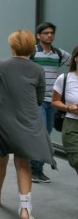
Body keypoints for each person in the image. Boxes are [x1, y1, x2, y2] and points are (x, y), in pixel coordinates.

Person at [0, 30, 57, 219]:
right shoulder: (38, 70)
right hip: (26, 118)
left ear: (13, 47)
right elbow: (39, 99)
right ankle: (25, 209)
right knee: (22, 162)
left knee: (0, 158)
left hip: (2, 116)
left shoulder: (2, 64)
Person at [29, 22, 70, 183]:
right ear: (38, 35)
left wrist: (66, 81)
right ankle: (35, 169)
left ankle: (37, 168)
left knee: (46, 133)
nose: (49, 35)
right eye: (46, 33)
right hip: (36, 100)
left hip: (52, 101)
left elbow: (73, 64)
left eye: (52, 33)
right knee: (42, 134)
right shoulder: (32, 52)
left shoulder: (58, 53)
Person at [52, 46, 78, 176]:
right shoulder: (65, 78)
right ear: (76, 58)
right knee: (76, 160)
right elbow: (55, 101)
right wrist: (68, 108)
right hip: (71, 125)